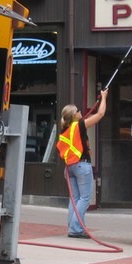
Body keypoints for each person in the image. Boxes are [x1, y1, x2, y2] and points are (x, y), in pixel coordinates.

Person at [57, 89, 108, 238]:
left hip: (69, 168)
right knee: (85, 199)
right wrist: (104, 97)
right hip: (81, 166)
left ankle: (74, 227)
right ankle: (76, 229)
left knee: (75, 199)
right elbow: (100, 114)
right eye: (78, 111)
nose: (81, 112)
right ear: (74, 115)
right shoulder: (78, 126)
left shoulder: (65, 130)